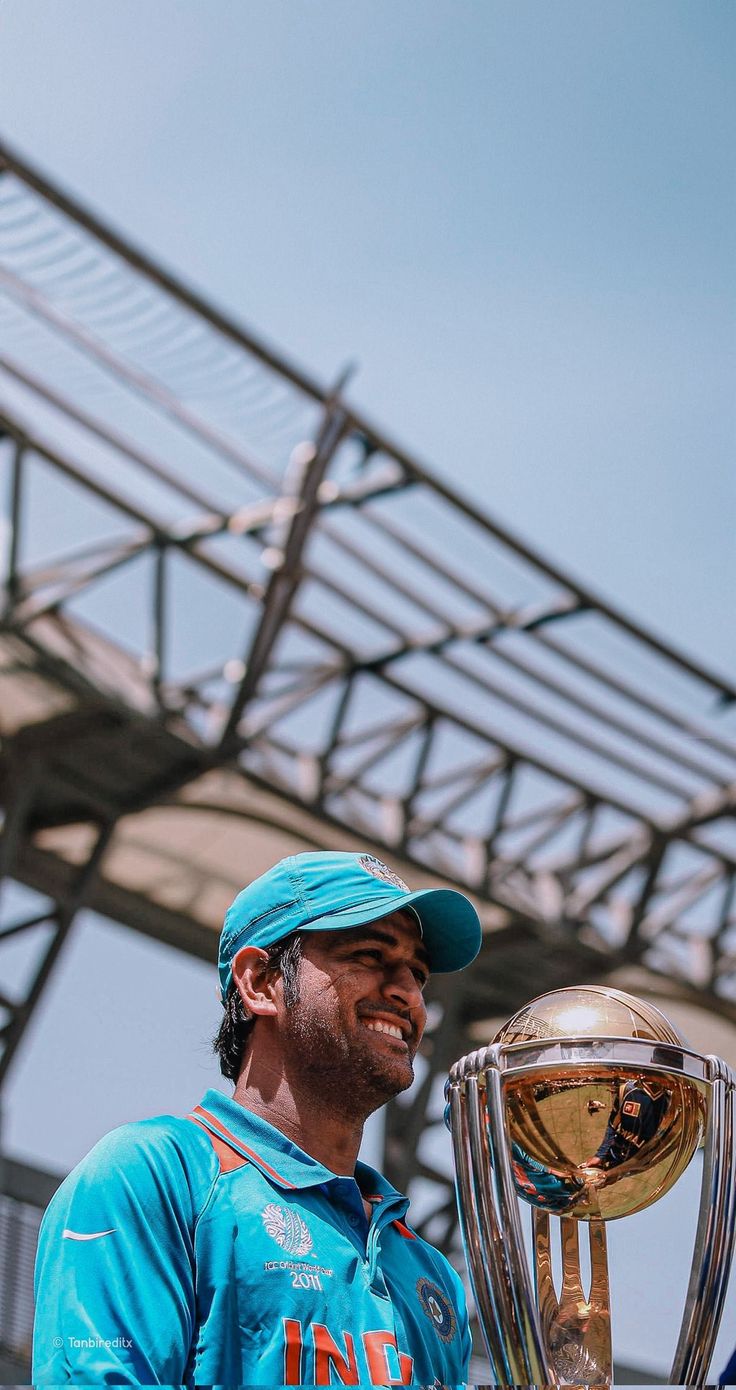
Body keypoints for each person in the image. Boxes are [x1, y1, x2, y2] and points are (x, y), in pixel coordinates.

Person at [32, 849, 482, 1385]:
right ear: (259, 982)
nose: (407, 993)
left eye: (418, 973)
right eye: (368, 955)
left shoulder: (428, 1271)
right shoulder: (155, 1177)